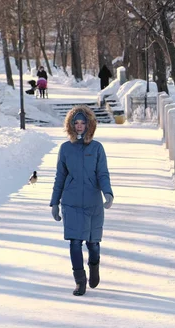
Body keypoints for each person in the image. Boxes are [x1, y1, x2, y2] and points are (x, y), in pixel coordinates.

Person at [50, 105, 114, 296]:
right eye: (75, 123)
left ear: (89, 125)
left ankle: (94, 266)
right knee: (75, 242)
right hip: (71, 202)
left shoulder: (97, 148)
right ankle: (80, 281)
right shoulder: (65, 149)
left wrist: (108, 194)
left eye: (82, 122)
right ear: (70, 125)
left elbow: (103, 174)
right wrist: (55, 202)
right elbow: (59, 176)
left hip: (93, 204)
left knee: (93, 244)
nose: (79, 126)